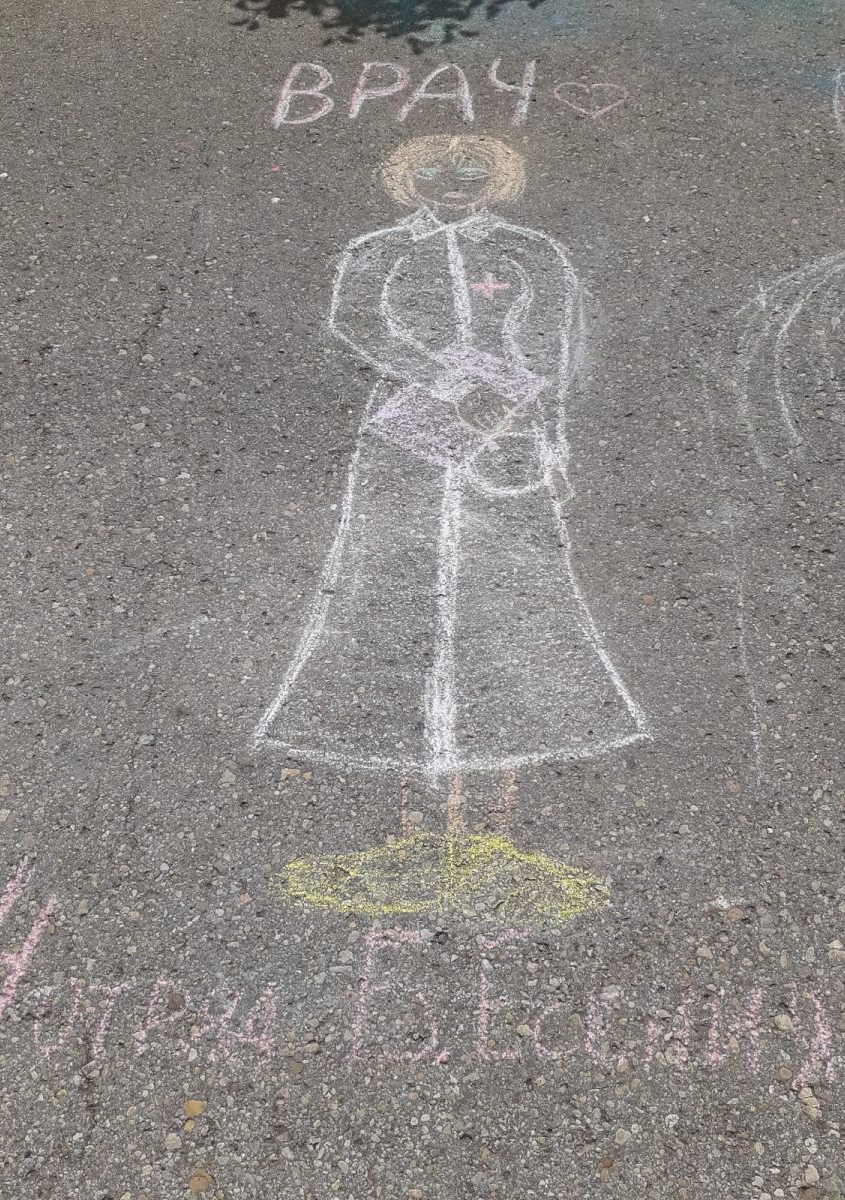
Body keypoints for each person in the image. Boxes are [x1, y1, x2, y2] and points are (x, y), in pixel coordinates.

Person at [254, 135, 649, 921]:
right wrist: (447, 380)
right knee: (395, 608)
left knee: (512, 618)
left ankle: (492, 843)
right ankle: (416, 840)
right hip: (406, 438)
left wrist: (551, 444)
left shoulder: (531, 252)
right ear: (408, 176)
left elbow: (548, 351)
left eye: (473, 168)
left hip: (507, 438)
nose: (455, 181)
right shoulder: (378, 251)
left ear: (498, 175)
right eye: (437, 168)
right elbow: (357, 320)